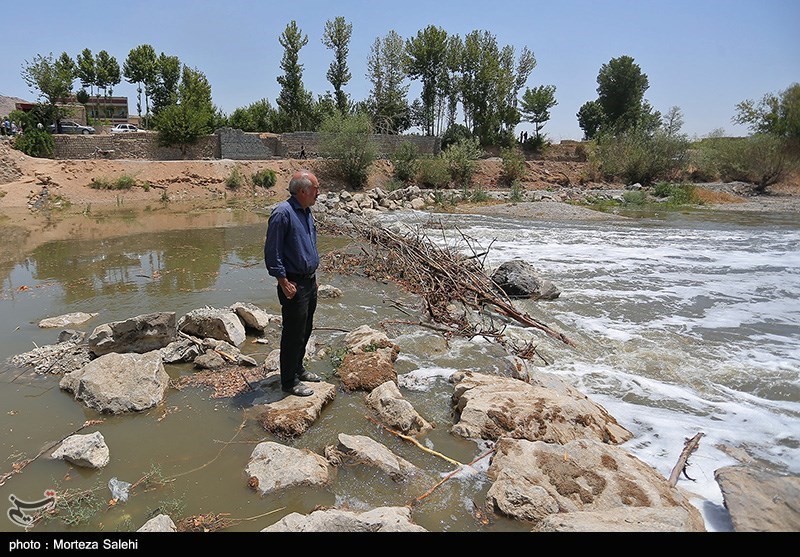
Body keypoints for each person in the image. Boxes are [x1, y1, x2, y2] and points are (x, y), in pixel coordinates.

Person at [264, 169, 322, 397]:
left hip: (308, 281)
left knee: (305, 328)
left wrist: (314, 278)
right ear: (303, 191)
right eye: (316, 189)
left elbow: (309, 247)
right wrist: (283, 281)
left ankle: (298, 369)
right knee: (292, 333)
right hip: (292, 283)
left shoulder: (306, 212)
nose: (319, 193)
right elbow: (272, 251)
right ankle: (288, 381)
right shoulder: (282, 213)